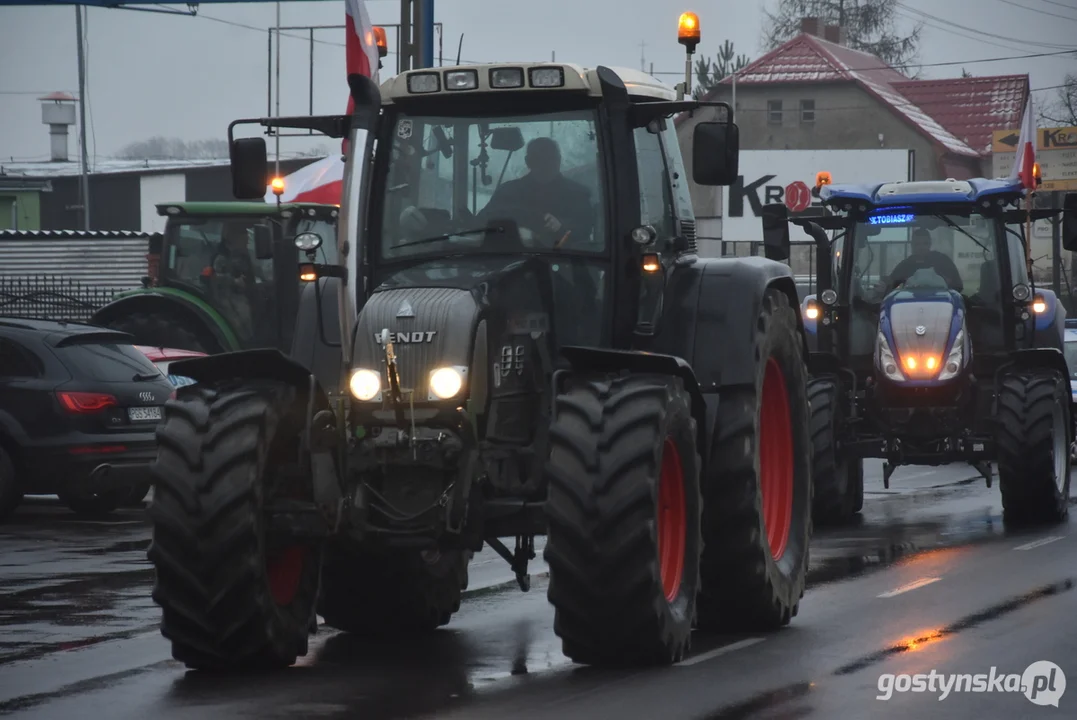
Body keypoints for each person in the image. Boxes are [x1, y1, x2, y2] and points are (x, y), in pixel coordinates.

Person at [478, 137, 594, 247]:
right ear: (528, 161)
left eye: (550, 158)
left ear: (559, 160)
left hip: (564, 260)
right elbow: (482, 222)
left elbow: (585, 231)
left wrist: (561, 226)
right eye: (538, 159)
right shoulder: (507, 192)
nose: (545, 164)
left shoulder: (578, 194)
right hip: (510, 258)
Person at [883, 228, 964, 293]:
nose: (921, 247)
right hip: (910, 306)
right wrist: (883, 287)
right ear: (912, 245)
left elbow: (958, 286)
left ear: (930, 244)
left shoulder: (943, 261)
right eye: (917, 244)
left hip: (942, 304)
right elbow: (890, 286)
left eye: (925, 243)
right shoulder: (905, 265)